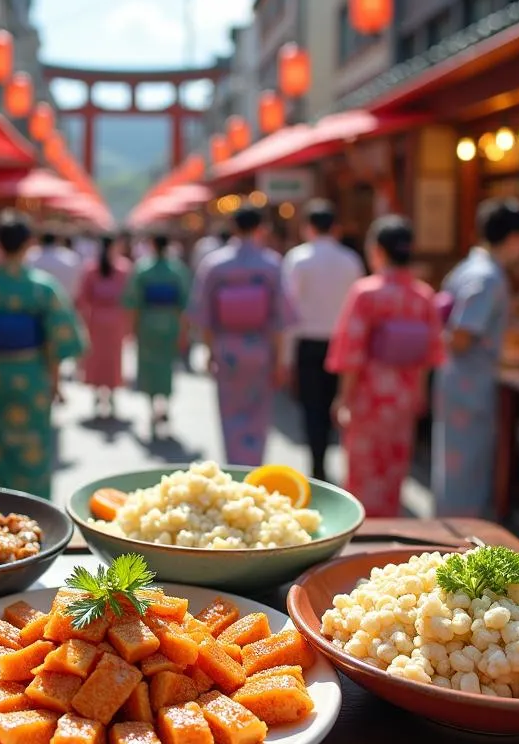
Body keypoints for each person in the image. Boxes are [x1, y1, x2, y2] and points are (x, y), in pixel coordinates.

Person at [0, 211, 86, 498]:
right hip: (33, 374)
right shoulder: (42, 287)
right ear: (29, 244)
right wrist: (56, 382)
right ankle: (38, 515)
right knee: (33, 446)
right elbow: (57, 342)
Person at [326, 215, 445, 517]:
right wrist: (419, 393)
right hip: (404, 396)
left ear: (377, 249)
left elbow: (351, 350)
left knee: (363, 469)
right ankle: (389, 526)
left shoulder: (367, 293)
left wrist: (343, 397)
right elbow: (429, 354)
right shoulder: (423, 295)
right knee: (394, 467)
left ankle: (363, 531)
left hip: (369, 394)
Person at [432, 198, 519, 516]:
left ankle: (448, 536)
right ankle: (458, 542)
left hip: (457, 379)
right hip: (469, 385)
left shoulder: (469, 268)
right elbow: (461, 336)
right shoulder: (488, 277)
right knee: (466, 469)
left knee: (454, 465)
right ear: (514, 237)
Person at [189, 205, 294, 466]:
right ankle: (253, 467)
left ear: (233, 227)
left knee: (230, 412)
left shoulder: (215, 264)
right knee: (258, 414)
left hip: (227, 348)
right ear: (261, 229)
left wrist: (210, 350)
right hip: (260, 349)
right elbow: (280, 319)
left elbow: (204, 315)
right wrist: (281, 360)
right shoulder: (271, 263)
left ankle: (234, 466)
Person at [281, 199, 365, 481]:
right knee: (338, 406)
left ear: (308, 227)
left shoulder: (298, 259)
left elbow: (288, 312)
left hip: (308, 344)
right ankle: (339, 468)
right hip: (343, 344)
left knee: (313, 410)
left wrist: (286, 358)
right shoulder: (351, 259)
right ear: (335, 228)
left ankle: (318, 468)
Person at [123, 232, 192, 433]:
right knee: (167, 367)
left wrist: (133, 328)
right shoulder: (178, 270)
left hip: (147, 323)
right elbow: (185, 304)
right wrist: (184, 330)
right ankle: (165, 405)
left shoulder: (143, 269)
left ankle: (153, 406)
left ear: (152, 245)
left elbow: (133, 301)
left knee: (148, 366)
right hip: (170, 322)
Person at [78, 234, 131, 417]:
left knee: (97, 358)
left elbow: (83, 298)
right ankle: (112, 393)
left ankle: (97, 394)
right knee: (113, 359)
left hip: (96, 319)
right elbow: (129, 298)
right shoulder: (124, 268)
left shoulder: (91, 269)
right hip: (116, 320)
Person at [26, 229, 82, 301]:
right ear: (57, 241)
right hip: (65, 301)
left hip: (36, 302)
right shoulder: (71, 257)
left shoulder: (31, 256)